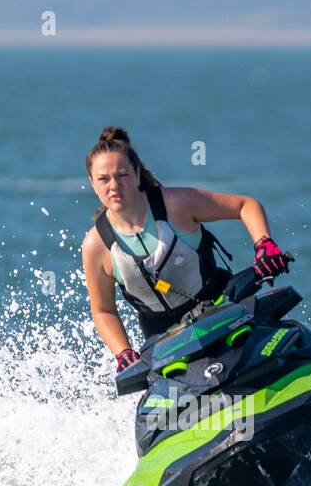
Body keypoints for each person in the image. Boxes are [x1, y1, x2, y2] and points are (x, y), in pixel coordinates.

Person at [81, 126, 290, 372]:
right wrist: (124, 353)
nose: (114, 186)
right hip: (166, 343)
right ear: (92, 183)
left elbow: (246, 206)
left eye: (122, 175)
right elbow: (104, 311)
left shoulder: (176, 205)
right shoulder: (96, 245)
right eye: (103, 179)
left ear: (137, 175)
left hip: (224, 309)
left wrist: (264, 245)